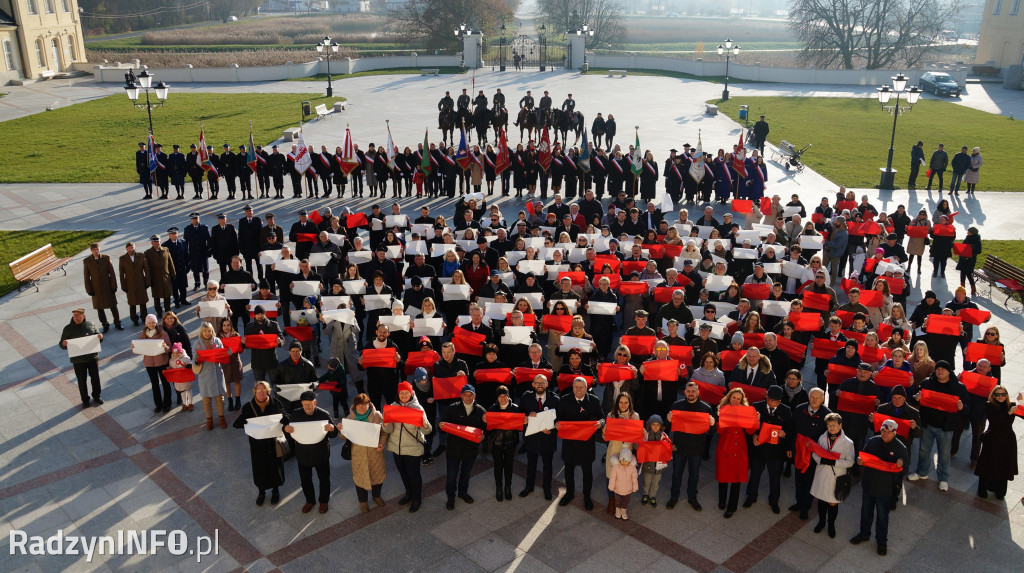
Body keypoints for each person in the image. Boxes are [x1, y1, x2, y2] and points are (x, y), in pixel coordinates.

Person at [849, 419, 909, 556]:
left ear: (894, 433)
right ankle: (864, 534)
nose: (885, 434)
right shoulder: (872, 441)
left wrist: (902, 464)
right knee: (865, 512)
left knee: (882, 517)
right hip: (869, 485)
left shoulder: (901, 448)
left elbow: (906, 469)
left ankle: (882, 542)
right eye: (883, 431)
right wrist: (860, 461)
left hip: (885, 489)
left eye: (888, 432)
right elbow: (863, 457)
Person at [907, 360, 967, 491]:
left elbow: (967, 408)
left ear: (949, 371)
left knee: (944, 455)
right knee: (924, 451)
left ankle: (943, 479)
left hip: (946, 427)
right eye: (938, 369)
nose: (940, 371)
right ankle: (921, 473)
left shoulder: (959, 387)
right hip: (928, 424)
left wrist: (962, 407)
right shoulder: (927, 383)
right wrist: (916, 398)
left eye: (943, 369)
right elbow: (913, 398)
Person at [283, 390, 338, 514]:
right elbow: (287, 429)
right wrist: (286, 429)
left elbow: (334, 434)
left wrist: (332, 429)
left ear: (315, 402)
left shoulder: (323, 414)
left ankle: (324, 501)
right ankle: (310, 501)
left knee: (324, 479)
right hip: (303, 454)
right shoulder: (295, 415)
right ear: (301, 403)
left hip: (321, 453)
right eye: (304, 404)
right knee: (305, 480)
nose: (307, 407)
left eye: (310, 404)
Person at [233, 381, 286, 506]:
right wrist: (241, 422)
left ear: (267, 391)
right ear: (255, 392)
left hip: (273, 444)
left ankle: (275, 491)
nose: (261, 393)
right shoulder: (248, 407)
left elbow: (285, 414)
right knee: (260, 468)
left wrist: (284, 419)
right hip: (258, 446)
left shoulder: (275, 403)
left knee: (275, 467)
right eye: (259, 390)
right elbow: (238, 423)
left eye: (264, 390)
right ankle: (261, 492)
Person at [556, 376, 605, 510]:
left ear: (586, 388)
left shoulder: (593, 401)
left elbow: (602, 417)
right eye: (576, 387)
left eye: (581, 387)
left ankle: (587, 497)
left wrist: (600, 423)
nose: (578, 389)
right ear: (572, 388)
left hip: (586, 444)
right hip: (570, 444)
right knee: (569, 472)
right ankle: (569, 494)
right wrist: (556, 424)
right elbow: (558, 418)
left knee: (587, 473)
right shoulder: (564, 400)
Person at [665, 381, 715, 510]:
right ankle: (674, 497)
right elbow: (669, 427)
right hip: (679, 447)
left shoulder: (706, 408)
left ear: (698, 392)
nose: (691, 393)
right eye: (688, 391)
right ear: (685, 392)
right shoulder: (676, 406)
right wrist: (668, 420)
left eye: (693, 391)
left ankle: (692, 498)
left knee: (694, 475)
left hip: (696, 448)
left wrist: (713, 424)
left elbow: (711, 432)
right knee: (676, 474)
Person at [384, 380, 431, 513]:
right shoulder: (393, 407)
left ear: (411, 394)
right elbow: (387, 430)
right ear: (398, 394)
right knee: (403, 473)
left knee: (414, 474)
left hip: (412, 448)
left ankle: (417, 499)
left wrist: (425, 425)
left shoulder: (418, 409)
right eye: (401, 393)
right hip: (397, 448)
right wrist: (386, 424)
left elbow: (427, 431)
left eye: (406, 393)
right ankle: (408, 494)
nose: (404, 395)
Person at [745, 385, 793, 513]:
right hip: (759, 448)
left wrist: (785, 434)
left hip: (776, 451)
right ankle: (751, 496)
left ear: (780, 401)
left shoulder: (786, 410)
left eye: (776, 401)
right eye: (770, 400)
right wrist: (753, 435)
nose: (772, 403)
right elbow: (749, 426)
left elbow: (790, 429)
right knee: (755, 474)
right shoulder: (756, 406)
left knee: (775, 477)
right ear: (766, 396)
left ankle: (774, 501)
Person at [440, 384, 487, 510]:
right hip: (453, 449)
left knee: (466, 474)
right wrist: (442, 425)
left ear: (475, 395)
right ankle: (451, 497)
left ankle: (463, 493)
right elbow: (443, 422)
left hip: (470, 450)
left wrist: (484, 436)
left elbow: (486, 428)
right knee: (451, 475)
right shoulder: (452, 408)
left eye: (470, 395)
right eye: (465, 395)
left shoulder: (481, 411)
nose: (468, 397)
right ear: (461, 396)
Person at [341, 393, 387, 513]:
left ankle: (376, 496)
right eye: (359, 405)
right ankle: (363, 502)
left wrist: (382, 443)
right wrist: (341, 430)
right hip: (358, 454)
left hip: (375, 453)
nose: (361, 408)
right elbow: (344, 437)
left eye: (364, 405)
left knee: (378, 476)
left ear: (368, 405)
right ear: (355, 406)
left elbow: (384, 432)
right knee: (360, 478)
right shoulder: (350, 419)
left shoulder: (377, 416)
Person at [810, 413, 855, 538]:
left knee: (832, 502)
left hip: (836, 476)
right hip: (822, 474)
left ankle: (831, 524)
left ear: (840, 425)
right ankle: (821, 522)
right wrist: (821, 460)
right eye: (829, 425)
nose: (832, 428)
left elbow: (850, 462)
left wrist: (834, 462)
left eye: (834, 425)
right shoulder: (822, 437)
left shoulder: (848, 443)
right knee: (821, 500)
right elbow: (815, 453)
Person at [716, 388, 756, 518]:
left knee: (736, 478)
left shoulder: (745, 411)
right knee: (723, 475)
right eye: (734, 397)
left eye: (738, 398)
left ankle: (731, 507)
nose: (735, 400)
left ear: (742, 400)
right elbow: (720, 431)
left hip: (739, 447)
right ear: (729, 397)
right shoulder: (723, 408)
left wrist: (755, 420)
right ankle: (722, 500)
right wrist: (719, 419)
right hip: (725, 445)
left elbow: (750, 432)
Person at [519, 374, 560, 500]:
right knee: (531, 464)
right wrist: (526, 417)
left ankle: (547, 489)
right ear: (533, 385)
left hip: (548, 438)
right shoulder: (526, 397)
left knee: (547, 465)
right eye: (537, 383)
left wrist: (553, 427)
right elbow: (520, 414)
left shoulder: (555, 399)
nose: (540, 385)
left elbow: (559, 419)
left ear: (547, 384)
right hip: (532, 438)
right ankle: (529, 486)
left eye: (542, 383)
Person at [974, 386, 1019, 500]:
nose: (1001, 396)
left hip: (1007, 439)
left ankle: (1000, 491)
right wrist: (1008, 413)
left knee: (1004, 464)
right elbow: (995, 421)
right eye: (997, 394)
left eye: (1003, 394)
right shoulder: (989, 405)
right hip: (992, 438)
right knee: (987, 464)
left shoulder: (1012, 405)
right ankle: (982, 489)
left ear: (1007, 395)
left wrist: (1022, 401)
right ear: (993, 395)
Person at [59, 308, 105, 408]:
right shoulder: (68, 329)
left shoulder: (91, 325)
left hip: (92, 357)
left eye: (78, 315)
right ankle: (85, 400)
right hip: (78, 360)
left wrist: (100, 337)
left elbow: (98, 338)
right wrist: (64, 344)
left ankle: (97, 396)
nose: (76, 317)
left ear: (84, 316)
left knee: (95, 378)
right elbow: (61, 344)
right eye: (75, 315)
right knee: (81, 380)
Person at [193, 321, 229, 430]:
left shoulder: (217, 340)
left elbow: (223, 354)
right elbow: (194, 359)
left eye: (209, 331)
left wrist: (227, 353)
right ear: (201, 332)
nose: (207, 333)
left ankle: (221, 417)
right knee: (206, 399)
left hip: (216, 372)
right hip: (204, 374)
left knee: (220, 398)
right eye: (205, 331)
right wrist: (197, 361)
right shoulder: (197, 344)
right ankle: (209, 420)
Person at [487, 385, 520, 502]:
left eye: (505, 396)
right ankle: (499, 488)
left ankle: (508, 488)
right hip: (497, 444)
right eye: (500, 396)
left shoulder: (516, 409)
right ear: (497, 397)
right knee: (498, 467)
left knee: (509, 466)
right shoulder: (492, 409)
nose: (503, 399)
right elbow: (489, 429)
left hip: (511, 443)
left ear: (508, 396)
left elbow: (519, 426)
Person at [135, 314, 171, 413]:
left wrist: (165, 347)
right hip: (149, 364)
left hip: (162, 362)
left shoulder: (163, 333)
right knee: (154, 384)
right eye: (149, 323)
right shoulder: (143, 334)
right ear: (146, 323)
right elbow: (137, 345)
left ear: (156, 322)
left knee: (165, 383)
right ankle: (158, 405)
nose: (151, 325)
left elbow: (169, 348)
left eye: (153, 322)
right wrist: (134, 347)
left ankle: (167, 404)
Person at [83, 243, 122, 332]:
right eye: (94, 250)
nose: (96, 252)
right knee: (99, 308)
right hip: (96, 288)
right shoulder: (87, 261)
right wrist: (89, 289)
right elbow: (86, 276)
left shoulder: (106, 258)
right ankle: (105, 324)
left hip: (107, 286)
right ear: (91, 251)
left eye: (97, 249)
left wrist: (114, 286)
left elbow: (111, 273)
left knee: (113, 306)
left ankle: (117, 323)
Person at [639, 414, 668, 508]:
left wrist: (672, 448)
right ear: (649, 425)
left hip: (658, 466)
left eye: (657, 425)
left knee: (655, 483)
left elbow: (668, 447)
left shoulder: (664, 436)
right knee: (646, 481)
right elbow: (640, 446)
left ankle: (652, 496)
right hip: (647, 464)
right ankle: (645, 494)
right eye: (653, 424)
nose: (655, 427)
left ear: (661, 426)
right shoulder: (646, 435)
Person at [608, 448, 639, 521]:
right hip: (617, 489)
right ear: (619, 459)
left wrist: (635, 487)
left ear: (630, 460)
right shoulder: (616, 467)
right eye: (622, 460)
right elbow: (612, 477)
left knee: (626, 501)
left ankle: (623, 510)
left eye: (626, 461)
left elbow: (634, 478)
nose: (624, 462)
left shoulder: (632, 468)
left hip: (628, 489)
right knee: (617, 501)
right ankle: (618, 510)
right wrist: (611, 486)